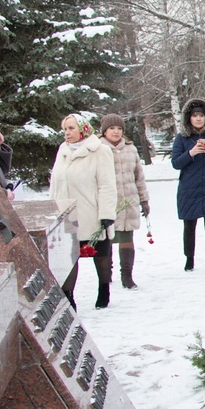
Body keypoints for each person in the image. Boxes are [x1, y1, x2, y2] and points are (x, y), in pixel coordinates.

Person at [50, 113, 117, 309]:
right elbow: (54, 184)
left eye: (71, 128)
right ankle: (68, 297)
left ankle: (104, 289)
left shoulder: (100, 151)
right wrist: (50, 210)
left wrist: (106, 214)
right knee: (69, 257)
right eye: (64, 129)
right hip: (66, 215)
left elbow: (107, 185)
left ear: (83, 128)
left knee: (100, 254)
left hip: (91, 213)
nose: (67, 133)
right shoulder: (62, 151)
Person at [172, 98, 205, 279]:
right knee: (190, 225)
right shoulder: (182, 138)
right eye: (194, 116)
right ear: (189, 118)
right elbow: (176, 163)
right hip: (189, 187)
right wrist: (191, 153)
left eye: (201, 116)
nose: (198, 119)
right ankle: (189, 258)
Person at [100, 114, 150, 290]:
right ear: (104, 131)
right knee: (106, 240)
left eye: (119, 128)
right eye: (112, 128)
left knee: (127, 238)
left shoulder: (130, 149)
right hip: (107, 203)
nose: (116, 132)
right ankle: (107, 273)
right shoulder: (98, 149)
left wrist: (144, 200)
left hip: (128, 202)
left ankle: (127, 275)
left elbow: (139, 177)